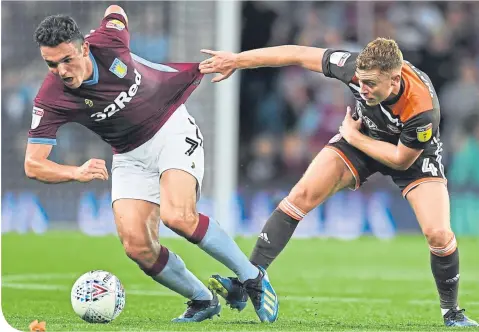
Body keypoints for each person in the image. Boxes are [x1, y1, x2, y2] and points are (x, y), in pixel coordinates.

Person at [199, 38, 478, 327]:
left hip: (410, 155)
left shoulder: (422, 107)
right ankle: (250, 280)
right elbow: (295, 53)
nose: (363, 88)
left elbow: (400, 160)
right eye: (362, 81)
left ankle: (452, 312)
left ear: (395, 80)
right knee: (301, 195)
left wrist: (353, 136)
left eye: (371, 84)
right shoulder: (353, 67)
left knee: (439, 234)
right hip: (363, 135)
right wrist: (236, 60)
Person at [25, 5, 279, 323]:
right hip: (129, 154)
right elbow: (34, 164)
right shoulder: (51, 98)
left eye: (67, 59)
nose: (62, 71)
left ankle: (252, 278)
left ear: (85, 46)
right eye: (52, 64)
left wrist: (114, 16)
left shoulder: (108, 40)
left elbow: (116, 10)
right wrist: (74, 172)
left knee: (178, 217)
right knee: (137, 245)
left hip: (171, 126)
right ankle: (202, 300)